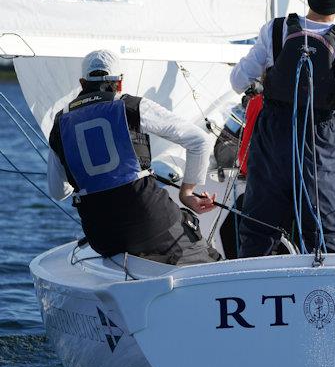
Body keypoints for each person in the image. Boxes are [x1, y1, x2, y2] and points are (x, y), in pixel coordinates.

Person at [229, 0, 335, 257]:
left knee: (258, 226)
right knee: (323, 231)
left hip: (273, 136)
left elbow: (238, 81)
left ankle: (252, 290)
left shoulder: (275, 30)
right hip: (318, 141)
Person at [47, 50, 220, 265]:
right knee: (211, 261)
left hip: (103, 237)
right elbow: (199, 141)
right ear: (119, 83)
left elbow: (58, 192)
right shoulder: (131, 107)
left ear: (82, 83)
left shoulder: (59, 123)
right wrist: (186, 193)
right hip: (151, 224)